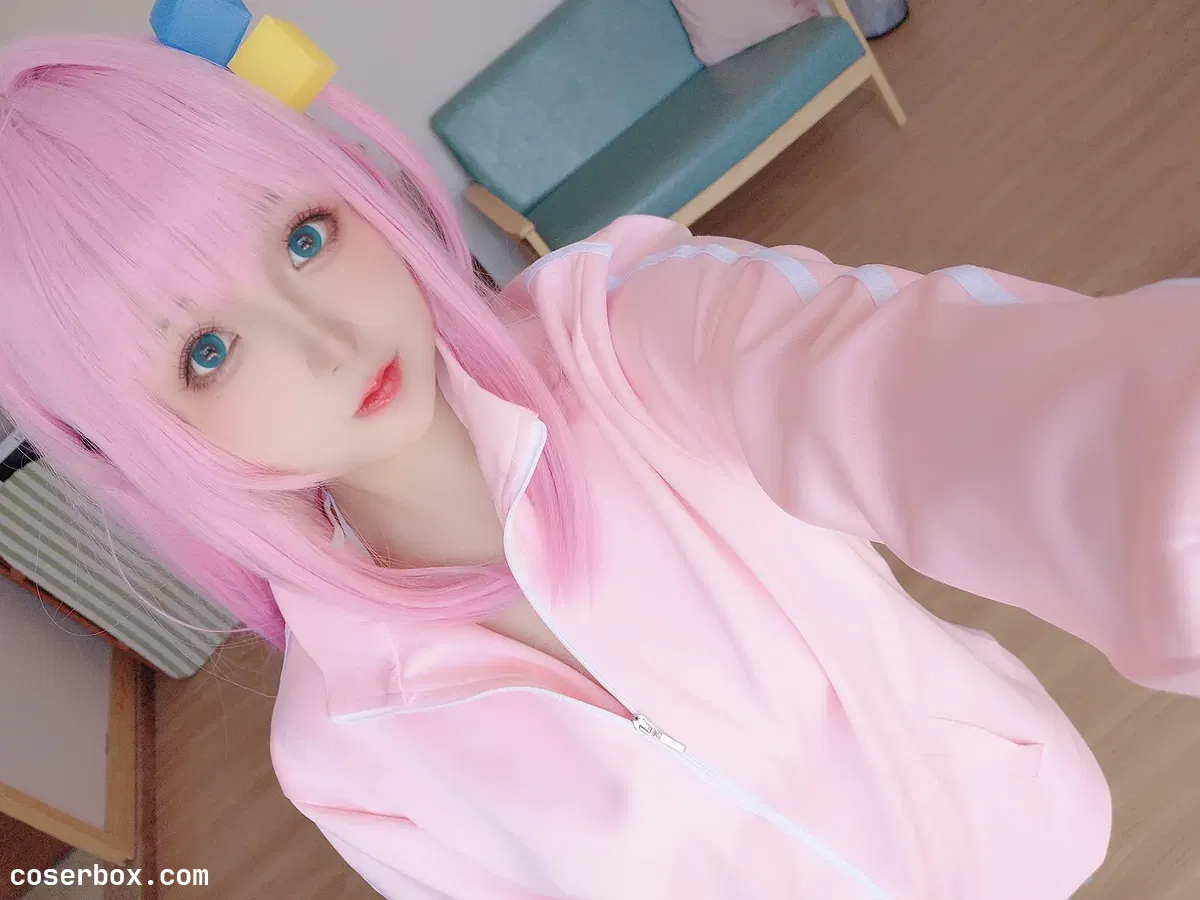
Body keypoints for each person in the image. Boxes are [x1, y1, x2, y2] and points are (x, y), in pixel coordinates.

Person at [1, 31, 1197, 900]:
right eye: (208, 350)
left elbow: (940, 396)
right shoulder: (345, 752)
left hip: (1023, 842)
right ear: (135, 437)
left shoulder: (629, 334)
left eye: (303, 233)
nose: (329, 342)